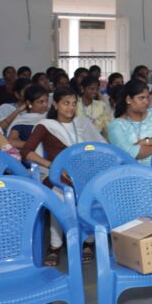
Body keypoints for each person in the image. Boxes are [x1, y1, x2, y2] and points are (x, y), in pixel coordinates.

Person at [20, 86, 105, 266]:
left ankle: (87, 241)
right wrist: (52, 165)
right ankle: (55, 245)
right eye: (66, 103)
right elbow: (26, 152)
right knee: (60, 195)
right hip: (57, 175)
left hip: (84, 173)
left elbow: (101, 147)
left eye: (74, 103)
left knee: (92, 193)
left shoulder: (82, 123)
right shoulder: (46, 125)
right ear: (55, 104)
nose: (71, 108)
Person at [107, 80, 152, 166]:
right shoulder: (116, 125)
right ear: (128, 100)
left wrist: (145, 141)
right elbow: (130, 153)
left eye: (147, 97)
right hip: (138, 172)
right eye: (141, 98)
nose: (146, 101)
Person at [6, 84, 49, 149]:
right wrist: (37, 146)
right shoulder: (22, 120)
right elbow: (10, 141)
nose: (45, 105)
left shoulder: (51, 116)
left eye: (47, 101)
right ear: (29, 103)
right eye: (41, 102)